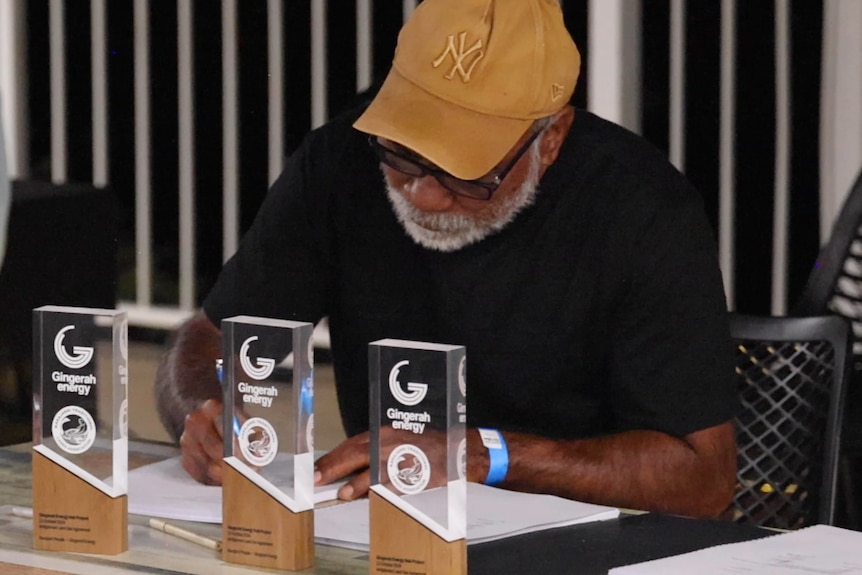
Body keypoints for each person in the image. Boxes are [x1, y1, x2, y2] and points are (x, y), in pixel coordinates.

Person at [155, 0, 737, 518]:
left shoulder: (641, 208)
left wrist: (475, 454)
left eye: (466, 172)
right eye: (402, 154)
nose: (423, 194)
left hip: (586, 540)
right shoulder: (338, 165)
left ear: (551, 138)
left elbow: (702, 479)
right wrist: (202, 411)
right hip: (385, 532)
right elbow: (210, 338)